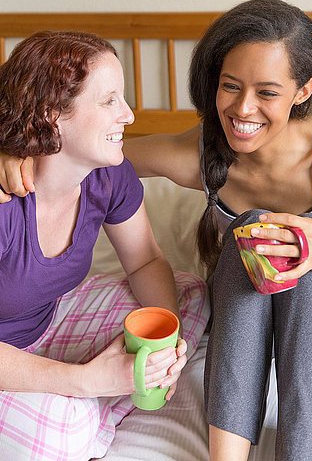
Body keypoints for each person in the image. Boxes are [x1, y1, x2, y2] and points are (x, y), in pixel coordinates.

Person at [1, 0, 312, 461]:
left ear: (303, 90)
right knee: (249, 234)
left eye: (268, 92)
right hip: (246, 323)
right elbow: (82, 153)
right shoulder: (199, 153)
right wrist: (13, 147)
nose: (243, 108)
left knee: (289, 242)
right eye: (230, 86)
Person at [0, 31, 210, 460]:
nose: (129, 115)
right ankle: (90, 416)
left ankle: (97, 401)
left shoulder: (108, 176)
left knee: (188, 293)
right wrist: (85, 382)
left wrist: (163, 341)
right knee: (64, 432)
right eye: (109, 100)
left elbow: (146, 260)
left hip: (50, 321)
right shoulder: (6, 202)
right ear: (51, 113)